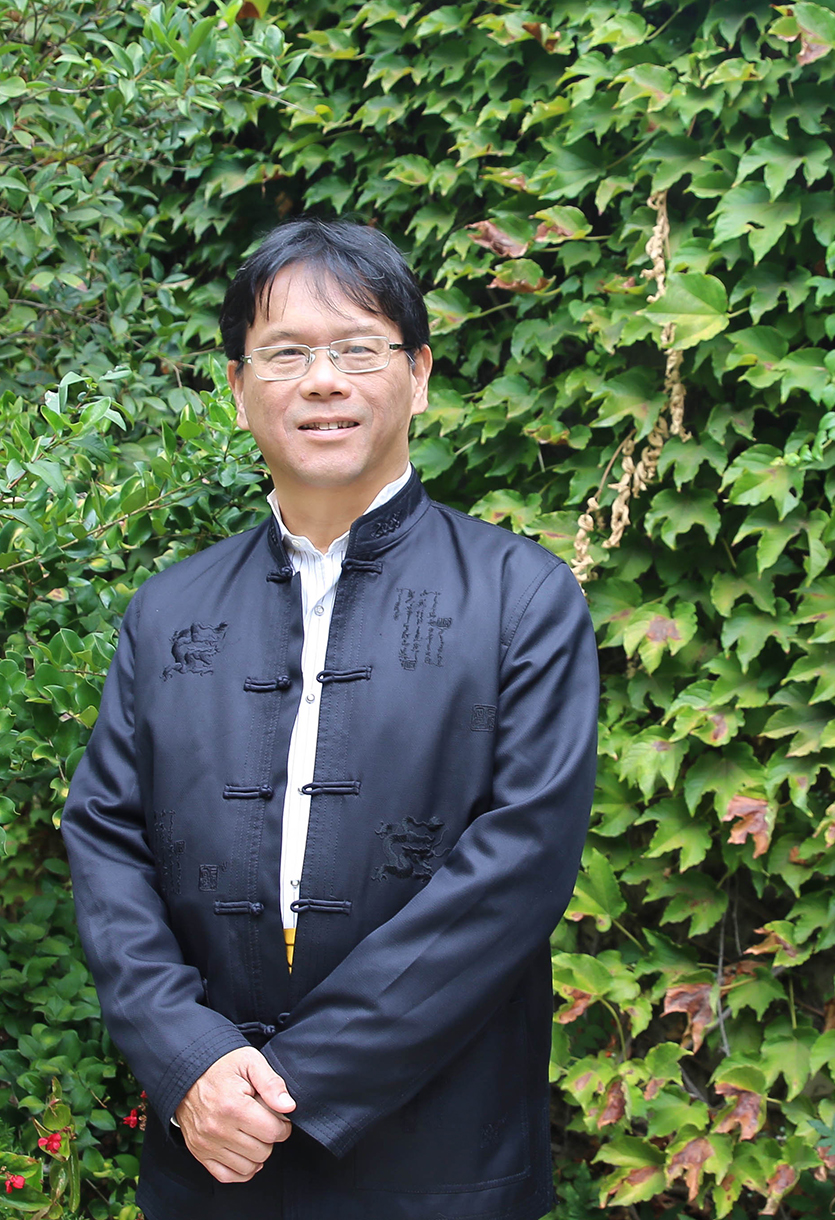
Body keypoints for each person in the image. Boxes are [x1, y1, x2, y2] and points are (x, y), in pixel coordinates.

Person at [60, 216, 599, 1220]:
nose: (323, 380)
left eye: (358, 348)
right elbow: (107, 841)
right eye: (287, 353)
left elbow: (519, 865)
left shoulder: (522, 597)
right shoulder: (169, 610)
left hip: (441, 1159)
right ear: (237, 387)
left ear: (419, 374)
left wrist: (288, 1081)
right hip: (210, 1153)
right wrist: (192, 1060)